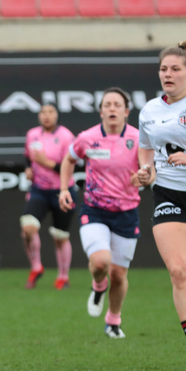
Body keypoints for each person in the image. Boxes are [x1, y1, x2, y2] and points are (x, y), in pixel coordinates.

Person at [136, 41, 186, 371]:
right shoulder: (150, 109)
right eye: (164, 69)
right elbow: (146, 150)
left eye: (175, 69)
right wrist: (145, 171)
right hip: (168, 193)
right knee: (180, 271)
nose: (168, 74)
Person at [59, 88, 141, 339]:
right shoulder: (87, 138)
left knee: (118, 275)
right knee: (100, 262)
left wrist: (144, 177)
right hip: (94, 211)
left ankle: (113, 320)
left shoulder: (139, 138)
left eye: (118, 105)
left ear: (127, 112)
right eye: (108, 104)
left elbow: (151, 169)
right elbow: (69, 159)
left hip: (127, 213)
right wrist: (64, 188)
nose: (112, 108)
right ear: (101, 111)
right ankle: (98, 285)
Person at [21, 103, 77, 289]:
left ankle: (63, 277)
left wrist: (47, 163)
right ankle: (36, 267)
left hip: (62, 190)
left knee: (60, 236)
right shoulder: (32, 134)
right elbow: (28, 157)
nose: (46, 115)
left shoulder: (66, 136)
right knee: (27, 227)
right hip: (39, 189)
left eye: (51, 112)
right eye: (43, 112)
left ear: (57, 115)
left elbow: (69, 166)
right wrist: (29, 169)